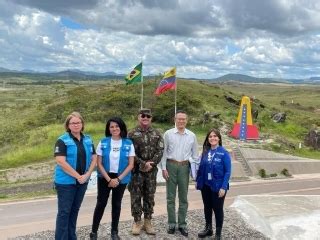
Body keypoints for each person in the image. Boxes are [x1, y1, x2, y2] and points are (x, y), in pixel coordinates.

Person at [54, 111, 97, 240]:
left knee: (74, 211)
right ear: (68, 125)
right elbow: (60, 161)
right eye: (72, 123)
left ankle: (72, 237)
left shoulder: (88, 139)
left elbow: (94, 158)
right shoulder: (62, 140)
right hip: (66, 183)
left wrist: (87, 174)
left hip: (82, 182)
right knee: (64, 212)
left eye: (78, 122)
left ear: (82, 124)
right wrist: (78, 176)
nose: (76, 125)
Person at [90, 117, 134, 240]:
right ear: (108, 129)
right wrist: (109, 179)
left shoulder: (128, 143)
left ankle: (114, 232)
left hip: (121, 178)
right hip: (105, 177)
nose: (114, 128)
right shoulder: (103, 142)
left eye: (116, 126)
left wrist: (118, 179)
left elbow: (131, 164)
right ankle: (94, 232)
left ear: (121, 127)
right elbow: (99, 163)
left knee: (116, 204)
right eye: (111, 127)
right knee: (101, 204)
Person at [161, 110, 199, 237]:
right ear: (175, 119)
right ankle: (171, 223)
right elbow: (163, 152)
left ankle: (182, 224)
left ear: (187, 120)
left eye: (183, 119)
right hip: (171, 166)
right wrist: (163, 168)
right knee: (170, 198)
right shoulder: (168, 134)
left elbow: (195, 155)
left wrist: (194, 171)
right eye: (179, 119)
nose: (181, 121)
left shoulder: (192, 136)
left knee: (183, 198)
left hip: (184, 167)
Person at [128, 109, 164, 235]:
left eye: (148, 116)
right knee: (136, 197)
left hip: (151, 171)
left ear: (151, 118)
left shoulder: (157, 133)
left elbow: (160, 150)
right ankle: (137, 222)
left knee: (149, 196)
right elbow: (129, 152)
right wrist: (143, 163)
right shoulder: (131, 134)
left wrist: (151, 163)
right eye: (143, 116)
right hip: (136, 171)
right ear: (138, 117)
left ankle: (148, 221)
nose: (145, 118)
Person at [196, 129, 231, 240]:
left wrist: (223, 187)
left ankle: (218, 233)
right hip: (206, 185)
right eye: (210, 136)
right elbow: (200, 168)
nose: (212, 138)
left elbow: (227, 172)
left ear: (219, 138)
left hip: (218, 186)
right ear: (208, 139)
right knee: (207, 207)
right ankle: (208, 229)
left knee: (218, 209)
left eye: (215, 136)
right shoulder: (205, 152)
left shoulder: (224, 153)